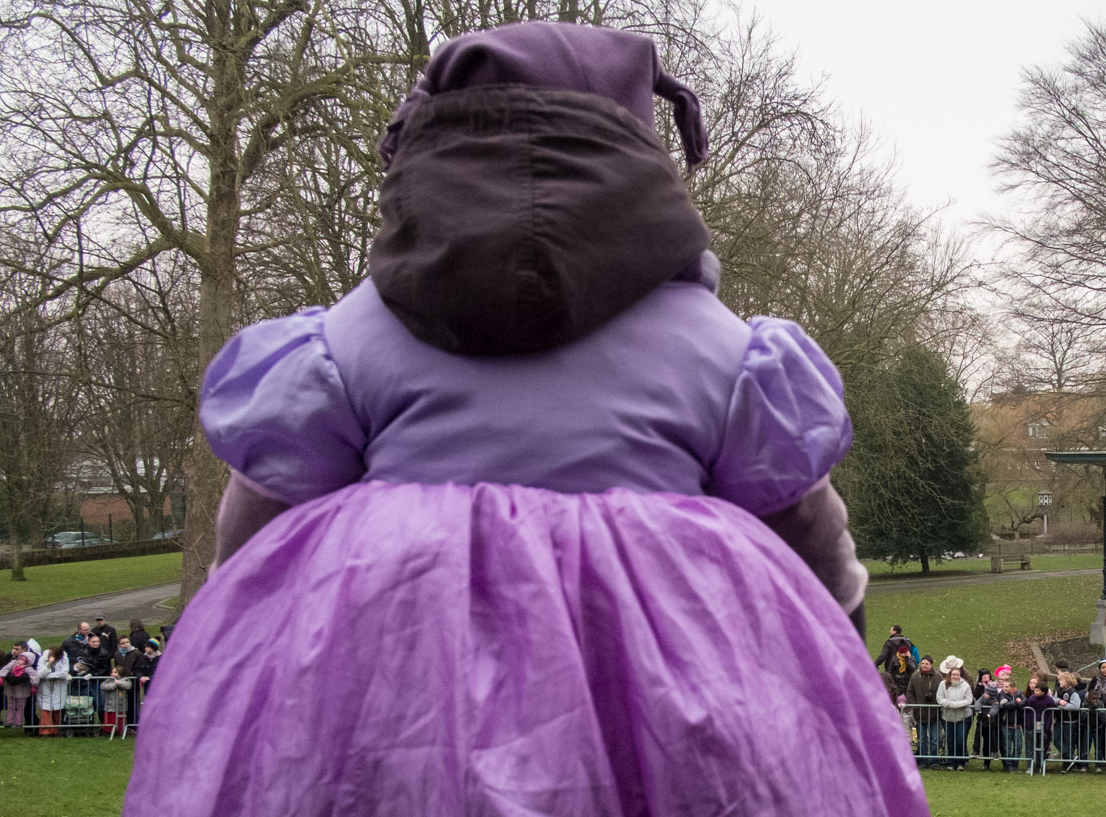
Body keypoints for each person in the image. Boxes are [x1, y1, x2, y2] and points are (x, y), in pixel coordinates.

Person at [123, 21, 923, 817]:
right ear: (641, 163)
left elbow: (255, 538)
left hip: (402, 726)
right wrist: (842, 645)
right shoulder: (717, 354)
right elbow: (815, 546)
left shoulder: (350, 341)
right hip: (660, 744)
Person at [935, 665, 974, 771]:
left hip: (962, 717)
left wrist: (957, 704)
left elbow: (969, 699)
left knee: (961, 740)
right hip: (947, 717)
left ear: (960, 675)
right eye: (953, 674)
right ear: (950, 675)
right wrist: (949, 704)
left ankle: (961, 762)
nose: (955, 676)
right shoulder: (943, 684)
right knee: (950, 740)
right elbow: (939, 698)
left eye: (957, 674)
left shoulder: (965, 685)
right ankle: (951, 762)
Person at [31, 645, 71, 736]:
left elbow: (64, 673)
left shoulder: (64, 658)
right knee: (46, 708)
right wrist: (48, 664)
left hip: (59, 686)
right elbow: (40, 674)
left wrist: (48, 676)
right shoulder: (43, 657)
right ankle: (45, 731)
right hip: (45, 686)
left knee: (57, 708)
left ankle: (55, 730)